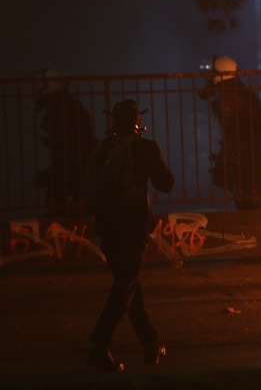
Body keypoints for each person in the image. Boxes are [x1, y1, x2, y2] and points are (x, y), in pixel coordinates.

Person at [84, 99, 174, 372]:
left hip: (105, 227)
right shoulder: (145, 147)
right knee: (125, 285)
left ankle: (151, 343)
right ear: (138, 122)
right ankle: (100, 345)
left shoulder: (101, 149)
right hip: (132, 228)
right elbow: (165, 184)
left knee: (128, 284)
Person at [198, 55, 261, 210]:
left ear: (220, 73)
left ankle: (251, 222)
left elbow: (234, 131)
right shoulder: (235, 90)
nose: (209, 77)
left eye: (212, 73)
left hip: (248, 152)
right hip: (250, 150)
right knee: (247, 194)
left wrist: (227, 154)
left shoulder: (230, 95)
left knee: (247, 197)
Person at [33, 68, 97, 217]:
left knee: (57, 192)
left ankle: (60, 218)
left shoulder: (60, 104)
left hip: (70, 159)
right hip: (78, 158)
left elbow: (57, 129)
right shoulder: (71, 103)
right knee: (75, 193)